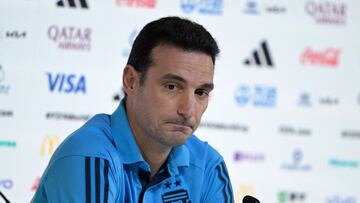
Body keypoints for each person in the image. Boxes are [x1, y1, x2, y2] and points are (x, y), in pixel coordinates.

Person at [32, 16, 234, 203]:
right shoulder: (90, 157)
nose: (188, 110)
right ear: (131, 81)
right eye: (172, 86)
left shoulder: (208, 166)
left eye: (200, 92)